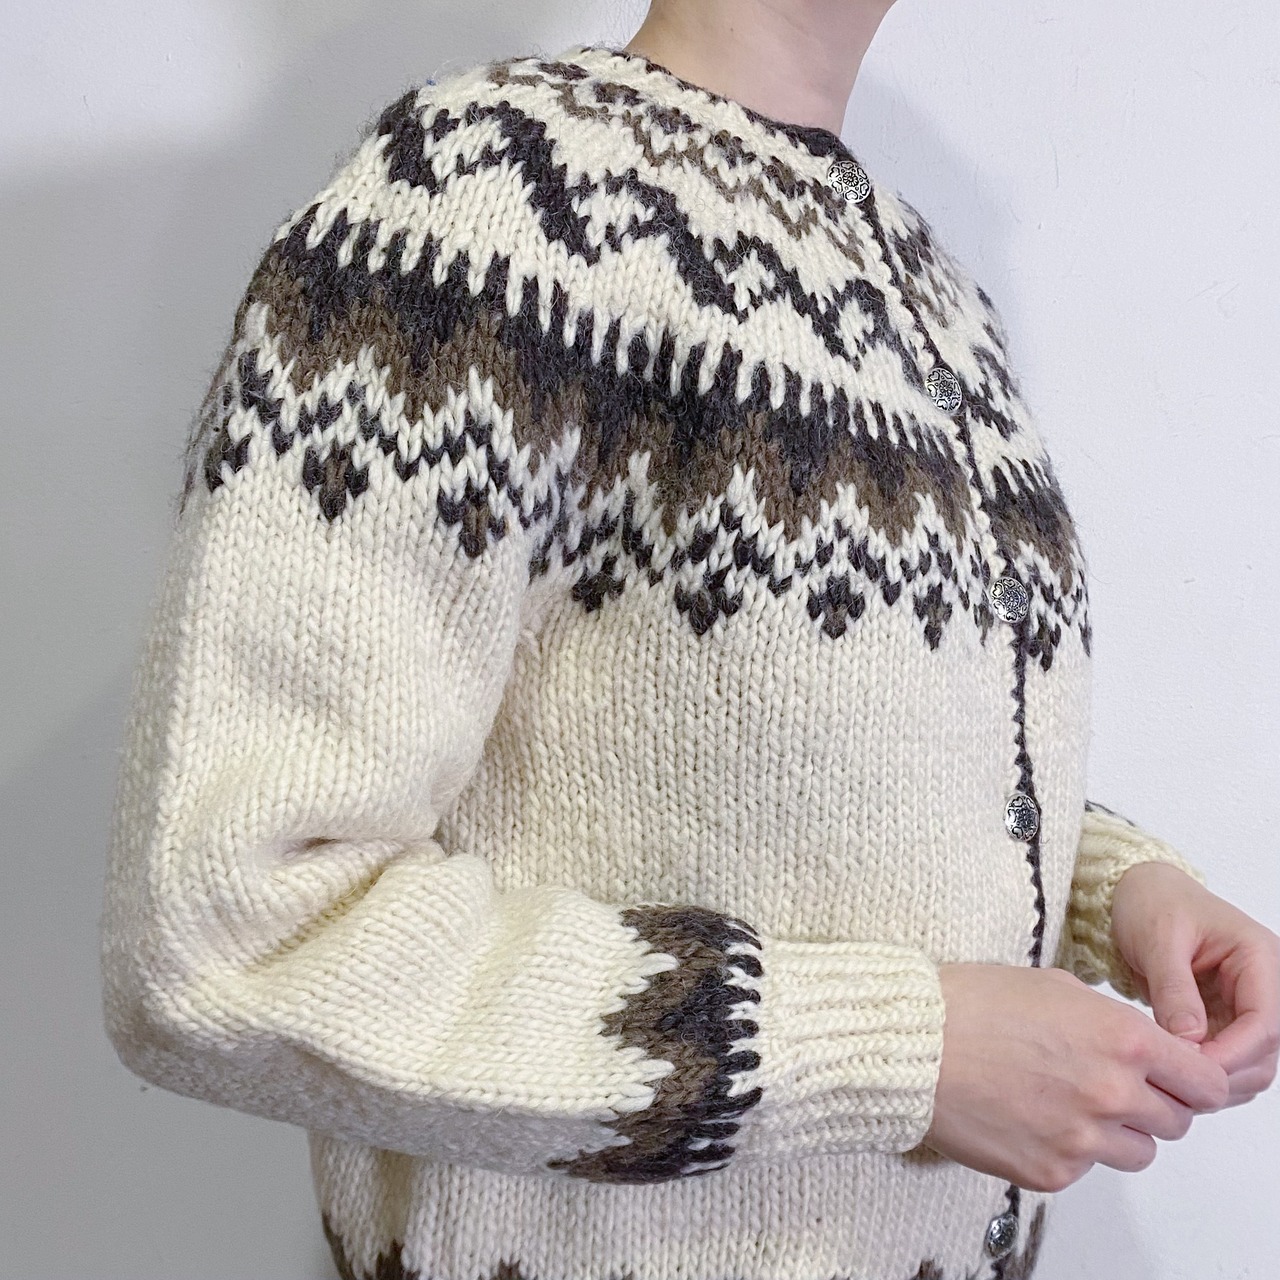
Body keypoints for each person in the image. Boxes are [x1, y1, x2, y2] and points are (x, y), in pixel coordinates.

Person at [99, 2, 1279, 1278]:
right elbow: (236, 932)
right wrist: (901, 1052)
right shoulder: (473, 209)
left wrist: (1113, 888)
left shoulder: (928, 292)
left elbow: (822, 775)